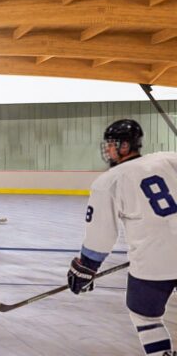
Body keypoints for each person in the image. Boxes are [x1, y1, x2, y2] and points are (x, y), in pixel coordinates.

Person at [67, 119, 177, 356]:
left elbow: (101, 235)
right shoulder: (170, 158)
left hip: (152, 264)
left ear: (124, 146)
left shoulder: (109, 180)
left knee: (144, 315)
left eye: (111, 144)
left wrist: (86, 267)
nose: (107, 149)